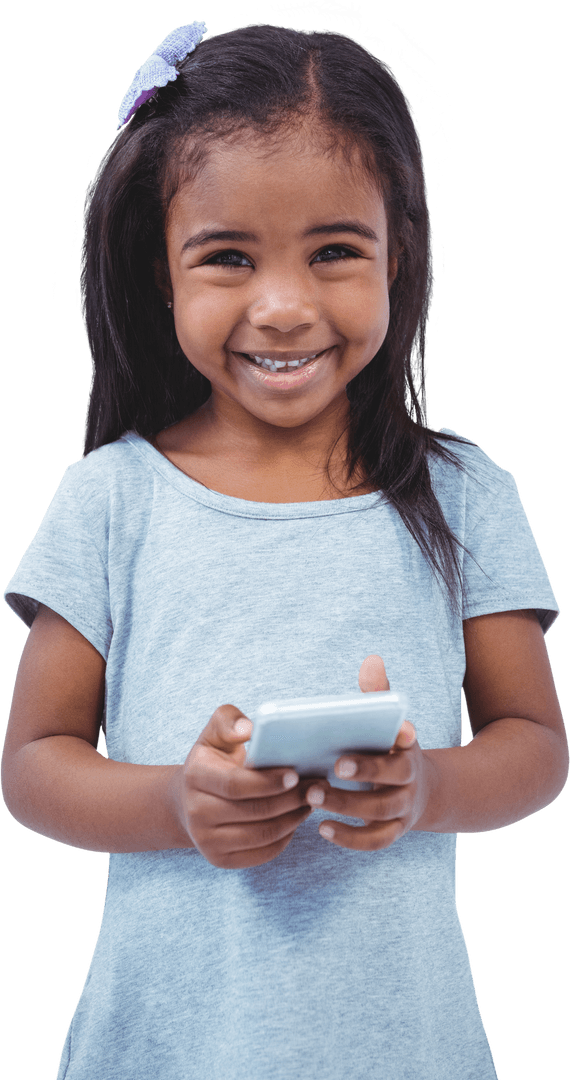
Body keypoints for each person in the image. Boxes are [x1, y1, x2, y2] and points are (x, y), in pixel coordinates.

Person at [1, 19, 567, 1080]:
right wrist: (178, 803)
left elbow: (535, 743)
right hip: (165, 1050)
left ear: (399, 253)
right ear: (161, 271)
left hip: (406, 1050)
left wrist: (426, 789)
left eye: (335, 252)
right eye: (228, 257)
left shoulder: (466, 495)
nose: (284, 307)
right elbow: (33, 767)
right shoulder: (111, 500)